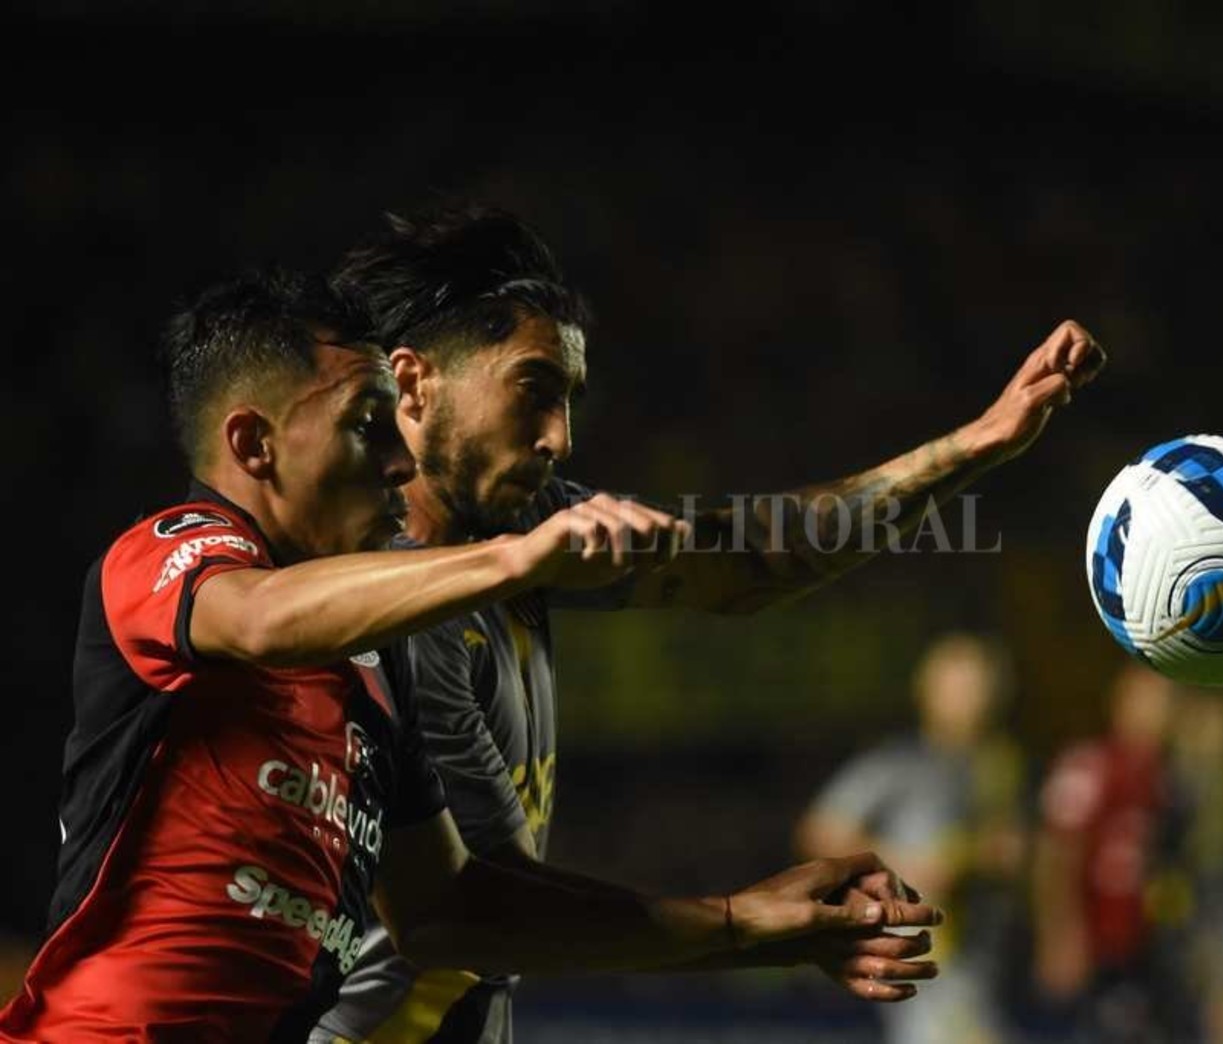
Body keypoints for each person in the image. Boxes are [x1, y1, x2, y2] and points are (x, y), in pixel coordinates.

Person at [0, 269, 943, 1043]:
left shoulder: (370, 674)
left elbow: (454, 911)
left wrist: (747, 926)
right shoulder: (168, 552)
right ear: (253, 444)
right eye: (368, 426)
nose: (400, 464)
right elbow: (255, 620)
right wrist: (517, 556)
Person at [311, 205, 1109, 1042]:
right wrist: (742, 923)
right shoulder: (389, 606)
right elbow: (462, 910)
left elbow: (748, 557)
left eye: (571, 401)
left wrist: (972, 446)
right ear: (411, 385)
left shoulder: (518, 526)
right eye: (534, 390)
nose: (561, 438)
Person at [796, 633, 1029, 1044]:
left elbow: (1026, 851)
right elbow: (820, 830)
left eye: (978, 687)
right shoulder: (898, 764)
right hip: (930, 965)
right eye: (957, 687)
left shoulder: (1006, 768)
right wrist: (903, 862)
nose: (970, 700)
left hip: (997, 961)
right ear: (926, 691)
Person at [1033, 663, 1181, 1043]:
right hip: (1094, 939)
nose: (1158, 712)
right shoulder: (1091, 765)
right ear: (1121, 703)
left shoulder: (1166, 777)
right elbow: (1057, 851)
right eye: (1149, 700)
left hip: (1141, 943)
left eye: (1167, 701)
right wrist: (1062, 933)